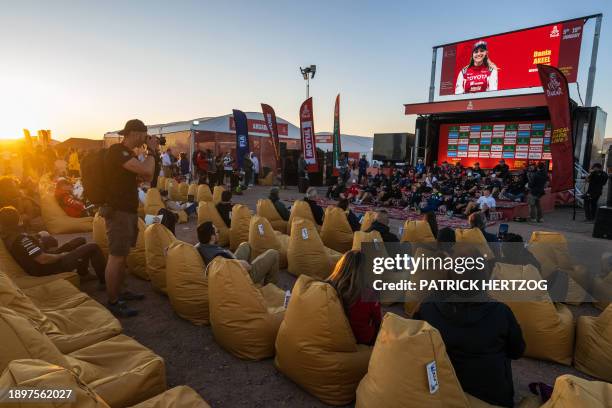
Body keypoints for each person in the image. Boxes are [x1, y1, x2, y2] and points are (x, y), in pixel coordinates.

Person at [413, 261, 525, 407]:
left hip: (442, 394)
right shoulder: (501, 312)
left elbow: (413, 345)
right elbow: (517, 351)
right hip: (491, 400)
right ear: (484, 280)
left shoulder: (428, 307)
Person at [102, 119, 157, 317]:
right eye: (144, 134)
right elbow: (147, 171)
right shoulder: (118, 151)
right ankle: (113, 300)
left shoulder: (127, 154)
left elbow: (145, 177)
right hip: (119, 211)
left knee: (123, 254)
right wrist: (151, 152)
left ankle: (121, 290)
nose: (146, 138)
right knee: (116, 256)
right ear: (134, 133)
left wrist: (147, 157)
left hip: (126, 210)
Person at [0, 206, 105, 283]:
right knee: (93, 247)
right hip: (49, 268)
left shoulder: (9, 235)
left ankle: (84, 274)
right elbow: (43, 259)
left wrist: (38, 237)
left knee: (80, 240)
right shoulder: (22, 240)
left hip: (45, 260)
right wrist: (62, 255)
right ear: (19, 220)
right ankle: (104, 281)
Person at [196, 221, 278, 285]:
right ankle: (269, 286)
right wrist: (245, 264)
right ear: (212, 237)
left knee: (245, 245)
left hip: (232, 264)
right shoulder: (218, 257)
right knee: (273, 253)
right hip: (240, 276)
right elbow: (247, 267)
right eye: (217, 232)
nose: (219, 233)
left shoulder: (201, 246)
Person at [327, 250, 382, 345]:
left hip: (334, 333)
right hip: (360, 339)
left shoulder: (329, 287)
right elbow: (378, 321)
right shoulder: (369, 294)